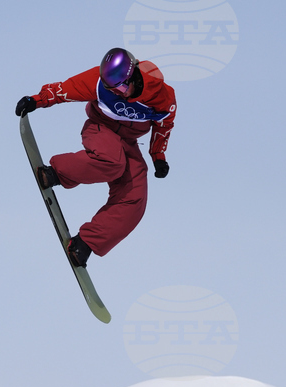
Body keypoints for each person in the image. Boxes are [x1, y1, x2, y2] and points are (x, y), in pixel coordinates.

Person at [16, 48, 177, 268]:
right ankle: (55, 173)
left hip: (129, 142)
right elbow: (65, 89)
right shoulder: (99, 82)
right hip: (101, 128)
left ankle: (85, 243)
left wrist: (158, 155)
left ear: (133, 77)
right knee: (112, 161)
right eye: (112, 88)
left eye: (121, 86)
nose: (118, 92)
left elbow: (164, 124)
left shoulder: (162, 96)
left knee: (135, 196)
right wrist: (36, 100)